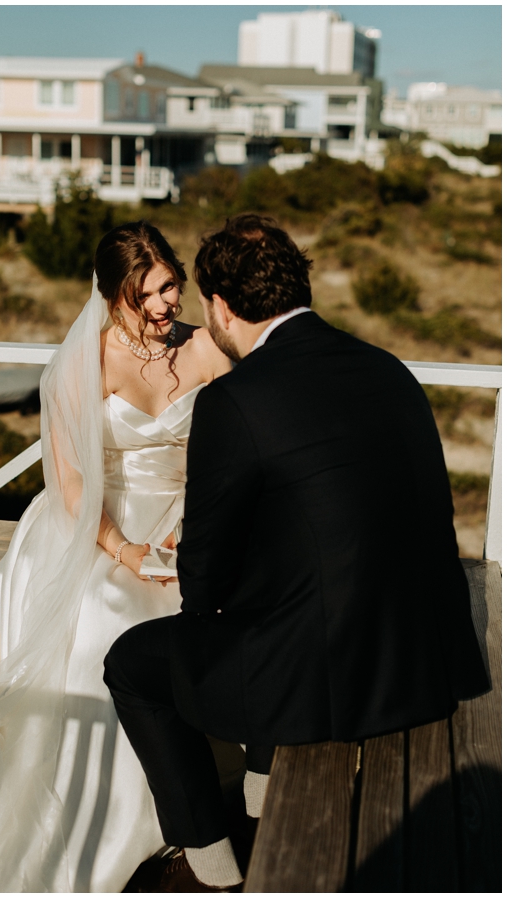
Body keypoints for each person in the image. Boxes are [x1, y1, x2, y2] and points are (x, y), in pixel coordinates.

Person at [103, 214, 491, 891]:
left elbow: (206, 580)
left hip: (331, 675)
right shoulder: (390, 370)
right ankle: (256, 794)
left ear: (221, 308)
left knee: (133, 663)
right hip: (425, 654)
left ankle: (213, 867)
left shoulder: (236, 400)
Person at [0, 221, 232, 891]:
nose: (165, 305)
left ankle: (195, 806)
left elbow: (245, 443)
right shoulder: (83, 361)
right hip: (97, 526)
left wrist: (199, 525)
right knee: (105, 624)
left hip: (189, 523)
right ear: (114, 298)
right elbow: (72, 482)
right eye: (145, 295)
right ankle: (103, 824)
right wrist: (126, 551)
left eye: (171, 285)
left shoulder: (209, 349)